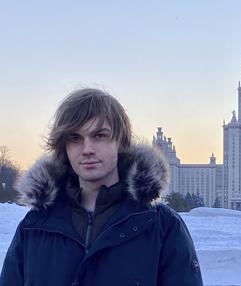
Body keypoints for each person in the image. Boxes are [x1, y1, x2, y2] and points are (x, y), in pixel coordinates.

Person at [0, 88, 203, 286]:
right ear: (64, 147)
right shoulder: (34, 227)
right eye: (75, 138)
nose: (87, 149)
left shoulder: (162, 227)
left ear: (120, 142)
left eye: (99, 135)